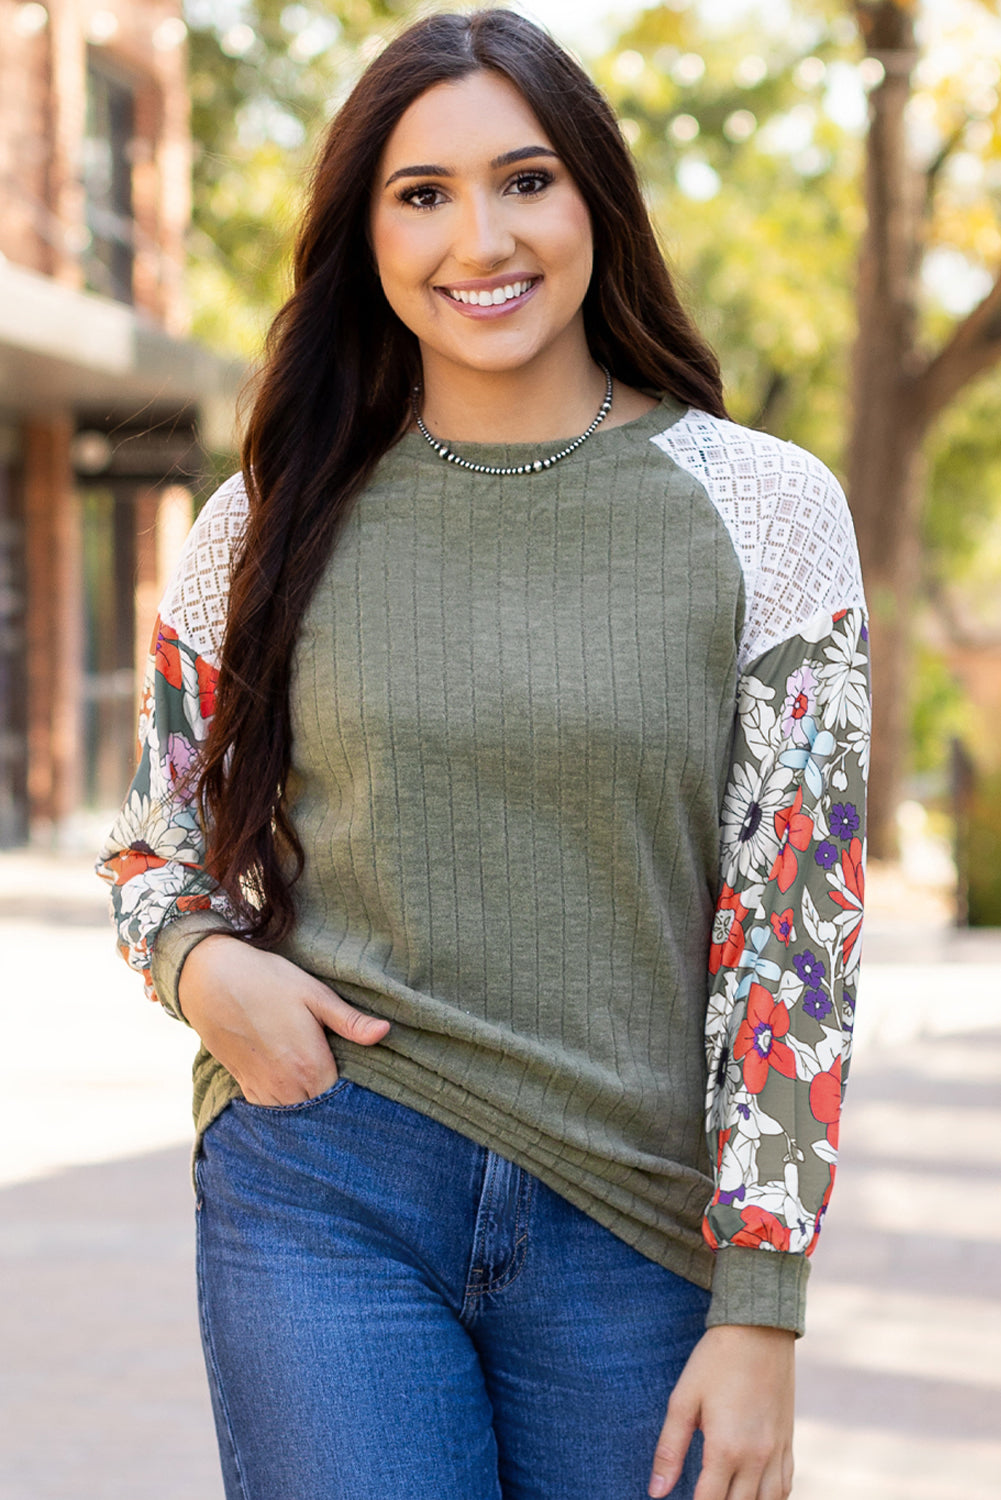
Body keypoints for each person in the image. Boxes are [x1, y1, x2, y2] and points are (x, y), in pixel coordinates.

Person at [97, 10, 869, 1500]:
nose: (479, 238)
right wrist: (203, 968)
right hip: (330, 1184)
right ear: (366, 236)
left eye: (523, 180)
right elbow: (152, 847)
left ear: (593, 199)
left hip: (635, 1226)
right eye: (421, 193)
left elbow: (798, 930)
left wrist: (761, 1304)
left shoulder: (762, 510)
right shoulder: (264, 522)